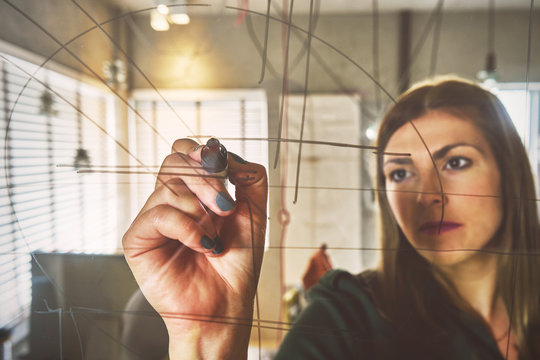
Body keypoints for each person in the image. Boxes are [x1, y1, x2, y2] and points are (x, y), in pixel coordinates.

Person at [122, 76, 540, 359]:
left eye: (457, 162)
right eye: (400, 172)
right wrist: (206, 335)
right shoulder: (348, 316)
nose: (427, 196)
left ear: (511, 171)